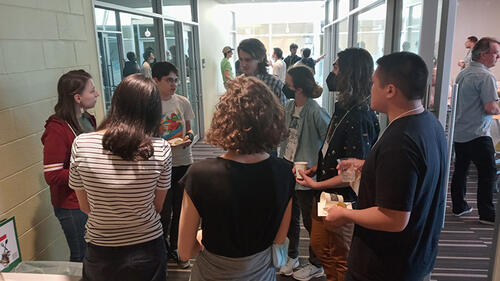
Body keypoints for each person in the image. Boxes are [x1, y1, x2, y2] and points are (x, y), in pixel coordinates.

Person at [328, 52, 447, 281]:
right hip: (416, 256)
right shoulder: (428, 123)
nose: (370, 89)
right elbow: (415, 174)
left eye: (374, 83)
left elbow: (393, 218)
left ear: (390, 90)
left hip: (385, 266)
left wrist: (346, 214)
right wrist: (369, 165)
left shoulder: (400, 142)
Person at [178, 77, 294, 281]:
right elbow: (279, 239)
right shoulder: (284, 172)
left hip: (211, 274)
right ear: (271, 120)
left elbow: (185, 252)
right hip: (261, 274)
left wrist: (201, 236)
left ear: (224, 120)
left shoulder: (200, 174)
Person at [69, 74, 171, 281]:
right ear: (153, 110)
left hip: (101, 248)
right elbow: (157, 206)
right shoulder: (161, 149)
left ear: (116, 102)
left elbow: (84, 206)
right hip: (147, 245)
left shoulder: (81, 144)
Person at [297, 48, 380, 281]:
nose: (331, 73)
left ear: (349, 73)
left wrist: (316, 184)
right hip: (327, 191)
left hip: (342, 198)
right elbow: (334, 150)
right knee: (321, 246)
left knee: (340, 254)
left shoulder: (360, 115)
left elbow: (353, 173)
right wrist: (318, 168)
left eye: (336, 68)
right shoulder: (344, 107)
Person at [278, 65, 330, 280]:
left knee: (311, 220)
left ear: (298, 88)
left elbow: (329, 143)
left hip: (307, 172)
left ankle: (317, 263)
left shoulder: (316, 111)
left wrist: (317, 167)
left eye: (288, 84)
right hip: (287, 166)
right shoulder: (289, 106)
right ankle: (292, 257)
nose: (285, 87)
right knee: (289, 215)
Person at [41, 70, 99, 262]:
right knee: (81, 256)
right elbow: (52, 175)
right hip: (71, 205)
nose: (97, 94)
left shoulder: (87, 119)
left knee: (94, 254)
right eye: (92, 91)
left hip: (90, 199)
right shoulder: (57, 129)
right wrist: (89, 170)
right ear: (77, 97)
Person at [451, 37, 500, 225]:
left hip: (461, 131)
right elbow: (491, 108)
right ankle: (487, 215)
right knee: (488, 173)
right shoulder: (486, 77)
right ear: (484, 54)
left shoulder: (464, 73)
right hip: (478, 133)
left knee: (461, 169)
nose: (498, 57)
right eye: (495, 53)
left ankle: (459, 206)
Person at [152, 62, 195, 268]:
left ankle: (178, 249)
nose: (174, 84)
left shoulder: (183, 102)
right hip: (160, 164)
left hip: (182, 161)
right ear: (155, 81)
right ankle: (163, 248)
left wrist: (188, 137)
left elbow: (189, 130)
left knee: (181, 208)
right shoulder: (149, 105)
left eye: (176, 80)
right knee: (163, 209)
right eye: (169, 80)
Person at [238, 38, 286, 104]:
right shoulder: (238, 83)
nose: (243, 64)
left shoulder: (273, 83)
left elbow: (283, 110)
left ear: (260, 58)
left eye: (248, 60)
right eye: (241, 59)